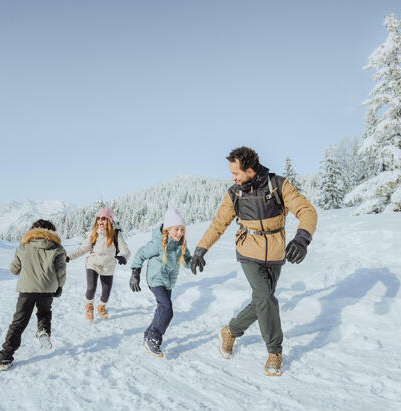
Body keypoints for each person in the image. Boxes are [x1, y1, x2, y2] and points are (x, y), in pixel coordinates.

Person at [190, 146, 317, 376]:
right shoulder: (235, 193)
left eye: (236, 173)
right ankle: (275, 351)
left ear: (250, 170)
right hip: (249, 252)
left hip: (276, 254)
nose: (233, 178)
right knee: (265, 297)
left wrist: (302, 238)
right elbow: (218, 224)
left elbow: (307, 211)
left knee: (262, 301)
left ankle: (231, 331)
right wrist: (201, 248)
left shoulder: (277, 185)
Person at [0, 219, 66, 371]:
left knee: (19, 321)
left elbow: (14, 269)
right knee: (44, 313)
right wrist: (59, 286)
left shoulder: (23, 247)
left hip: (26, 289)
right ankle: (43, 331)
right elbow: (61, 272)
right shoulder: (58, 248)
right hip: (48, 288)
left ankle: (5, 357)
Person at [129, 207, 192, 358]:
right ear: (168, 229)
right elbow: (141, 253)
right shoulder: (158, 243)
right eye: (176, 229)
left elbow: (187, 259)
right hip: (155, 279)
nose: (179, 233)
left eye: (182, 230)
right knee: (167, 308)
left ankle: (148, 333)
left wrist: (195, 263)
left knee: (161, 309)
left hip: (168, 281)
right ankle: (154, 338)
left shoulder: (180, 243)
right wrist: (135, 272)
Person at [67, 208, 131, 322]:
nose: (100, 221)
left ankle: (101, 307)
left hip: (108, 266)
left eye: (103, 218)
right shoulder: (94, 234)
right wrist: (69, 257)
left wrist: (124, 257)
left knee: (106, 293)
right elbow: (82, 249)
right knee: (91, 287)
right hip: (93, 264)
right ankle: (89, 307)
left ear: (109, 220)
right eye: (98, 219)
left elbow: (125, 250)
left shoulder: (116, 234)